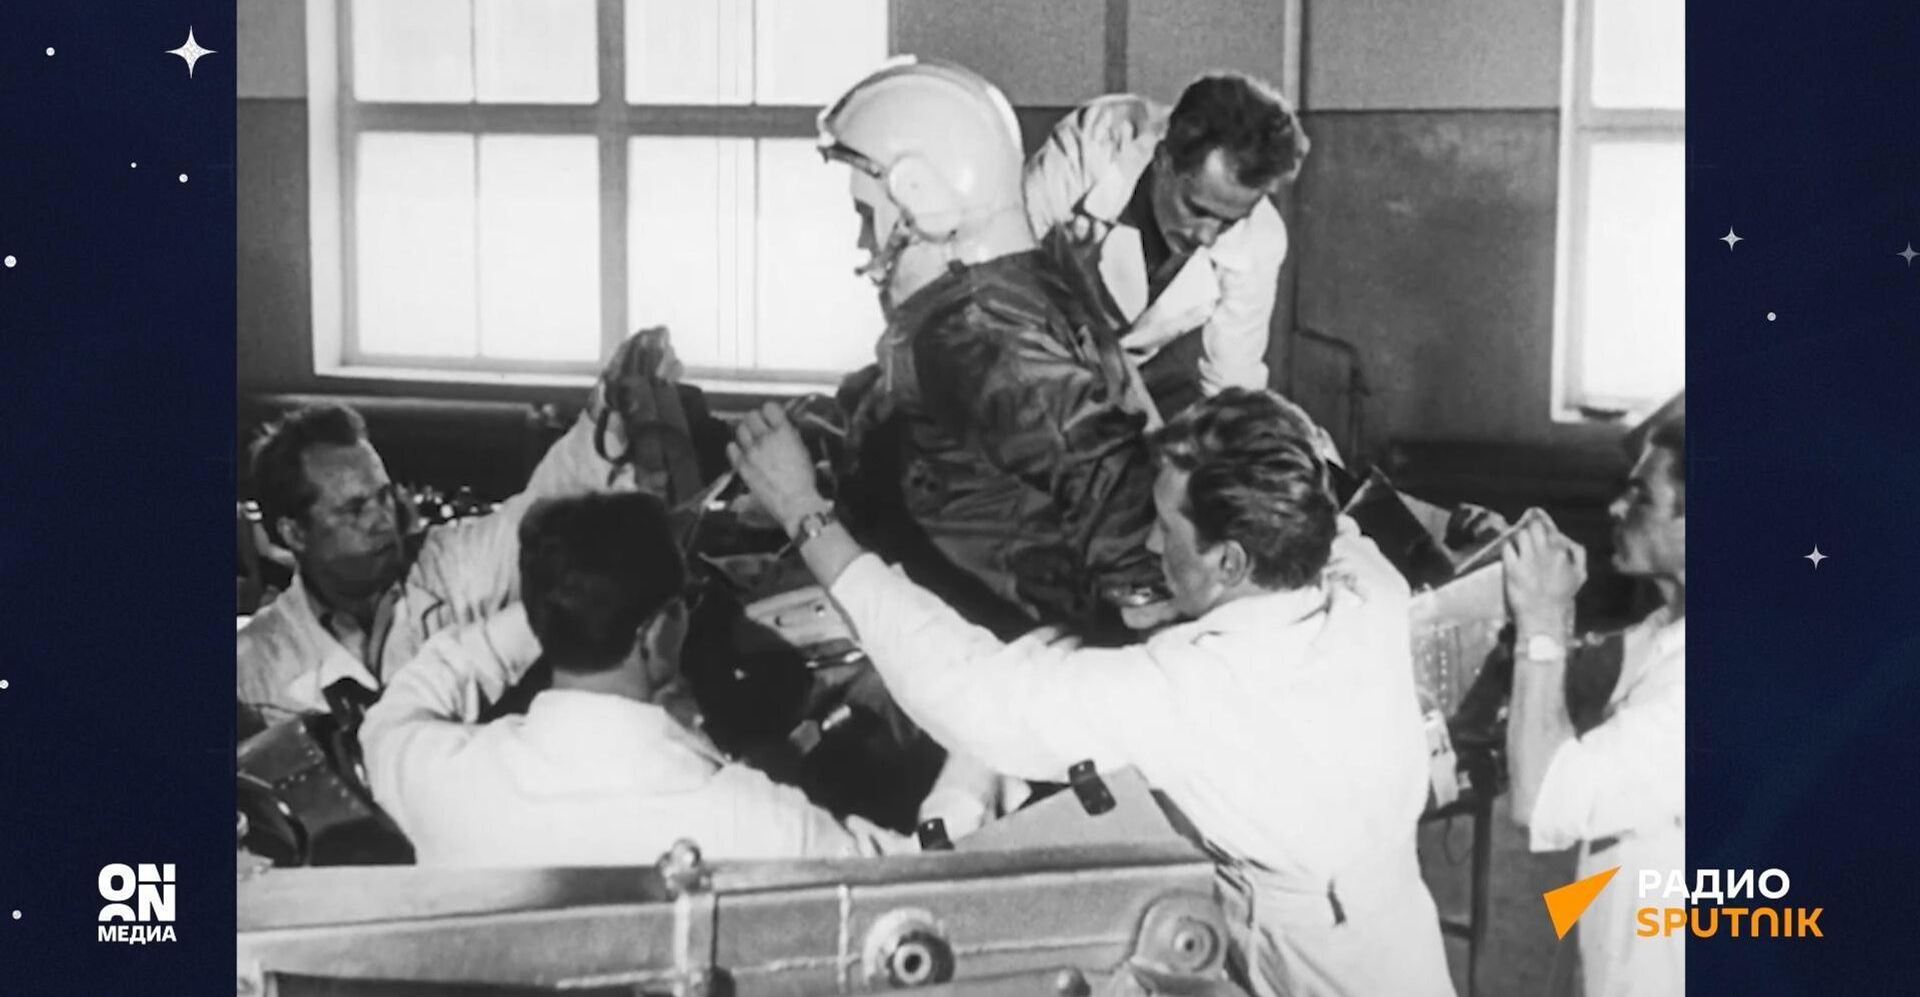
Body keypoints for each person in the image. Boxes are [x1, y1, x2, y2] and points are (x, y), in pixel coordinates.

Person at [729, 391, 1456, 997]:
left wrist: (805, 515)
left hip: (1315, 966)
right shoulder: (1367, 587)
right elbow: (1329, 517)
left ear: (1232, 560)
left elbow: (974, 692)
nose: (1150, 547)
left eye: (1166, 528)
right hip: (1397, 930)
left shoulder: (1194, 690)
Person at [818, 57, 1167, 641]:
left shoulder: (974, 332)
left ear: (919, 195)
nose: (861, 238)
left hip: (1004, 641)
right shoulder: (1017, 289)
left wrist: (1129, 645)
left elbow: (1104, 472)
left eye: (866, 214)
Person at [361, 491, 906, 865]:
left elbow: (395, 712)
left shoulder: (445, 782)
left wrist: (559, 603)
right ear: (657, 631)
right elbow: (910, 882)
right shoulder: (759, 824)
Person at [236, 330, 686, 727]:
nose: (382, 519)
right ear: (294, 533)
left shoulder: (447, 561)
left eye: (384, 495)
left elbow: (546, 508)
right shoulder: (254, 666)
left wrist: (609, 411)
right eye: (354, 510)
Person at [1505, 412, 1686, 997]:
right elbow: (1584, 681)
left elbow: (1543, 798)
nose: (1615, 508)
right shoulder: (1666, 628)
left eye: (1641, 497)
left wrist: (1540, 619)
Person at [1024, 73, 1308, 416]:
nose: (1206, 237)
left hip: (1123, 380)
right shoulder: (1093, 147)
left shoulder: (1260, 237)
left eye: (1229, 221)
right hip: (1023, 348)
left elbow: (1231, 385)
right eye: (1197, 210)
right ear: (1163, 160)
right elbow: (1000, 280)